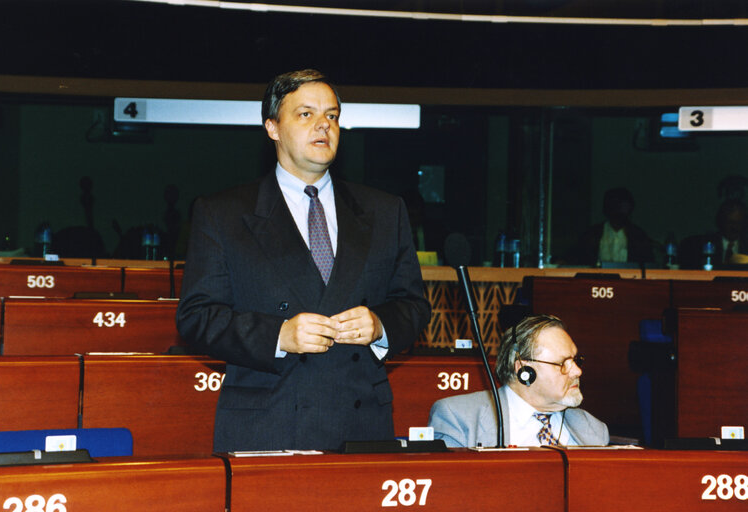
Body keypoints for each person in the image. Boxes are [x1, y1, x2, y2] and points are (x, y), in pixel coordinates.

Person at [176, 69, 431, 452]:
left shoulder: (384, 211)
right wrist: (278, 335)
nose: (323, 126)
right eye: (306, 114)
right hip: (267, 422)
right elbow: (196, 317)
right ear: (273, 127)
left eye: (331, 116)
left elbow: (413, 305)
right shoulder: (223, 213)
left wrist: (380, 324)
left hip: (361, 425)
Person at [428, 314, 609, 447]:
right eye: (563, 363)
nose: (577, 371)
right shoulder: (459, 418)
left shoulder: (594, 429)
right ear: (524, 370)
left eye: (576, 361)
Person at [570, 187, 654, 266]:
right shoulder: (592, 234)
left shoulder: (638, 236)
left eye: (622, 206)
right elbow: (578, 258)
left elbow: (648, 265)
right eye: (615, 205)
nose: (618, 210)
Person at [679, 198, 748, 269]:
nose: (734, 227)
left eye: (738, 223)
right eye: (730, 222)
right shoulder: (701, 245)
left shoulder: (745, 246)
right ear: (721, 221)